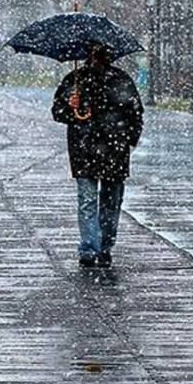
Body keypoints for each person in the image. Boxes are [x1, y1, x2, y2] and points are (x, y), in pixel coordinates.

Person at [52, 42, 144, 268]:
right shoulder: (76, 80)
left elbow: (135, 113)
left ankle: (103, 245)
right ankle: (89, 247)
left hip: (112, 150)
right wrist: (69, 104)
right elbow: (58, 112)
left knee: (110, 201)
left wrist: (127, 139)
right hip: (86, 149)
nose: (97, 57)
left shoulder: (121, 80)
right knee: (89, 200)